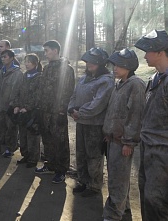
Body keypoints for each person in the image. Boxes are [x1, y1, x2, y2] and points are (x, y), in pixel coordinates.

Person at [102, 48, 146, 221]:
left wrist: (129, 141)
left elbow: (136, 115)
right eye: (114, 65)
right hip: (113, 140)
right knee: (116, 176)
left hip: (123, 143)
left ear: (129, 66)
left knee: (117, 180)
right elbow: (113, 111)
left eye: (119, 66)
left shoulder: (136, 84)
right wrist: (108, 132)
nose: (114, 68)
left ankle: (113, 215)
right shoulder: (119, 84)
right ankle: (124, 207)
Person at [68, 47, 114, 197]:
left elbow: (98, 104)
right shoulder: (83, 78)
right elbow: (74, 95)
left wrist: (79, 113)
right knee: (81, 154)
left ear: (101, 64)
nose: (89, 64)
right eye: (88, 61)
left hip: (95, 125)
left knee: (93, 156)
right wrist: (71, 109)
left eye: (93, 62)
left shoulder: (106, 81)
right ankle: (83, 181)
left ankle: (94, 185)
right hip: (81, 123)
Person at [134, 29, 168, 220]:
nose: (145, 55)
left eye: (148, 51)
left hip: (164, 150)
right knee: (146, 195)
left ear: (160, 52)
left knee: (158, 201)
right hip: (148, 148)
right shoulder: (154, 79)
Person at [34, 40, 75, 184]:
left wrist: (62, 110)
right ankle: (50, 164)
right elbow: (42, 89)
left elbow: (67, 91)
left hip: (57, 112)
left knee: (60, 141)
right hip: (44, 111)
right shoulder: (47, 68)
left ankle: (61, 170)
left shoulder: (66, 69)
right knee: (47, 140)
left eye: (47, 50)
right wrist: (38, 107)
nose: (45, 53)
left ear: (55, 50)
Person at [12, 53, 42, 168]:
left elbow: (38, 96)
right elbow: (18, 92)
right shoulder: (24, 76)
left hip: (32, 112)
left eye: (29, 62)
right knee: (23, 134)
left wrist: (28, 107)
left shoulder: (39, 77)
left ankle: (33, 159)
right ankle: (25, 155)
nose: (27, 64)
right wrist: (17, 105)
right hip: (21, 111)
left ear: (35, 63)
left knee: (32, 136)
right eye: (26, 62)